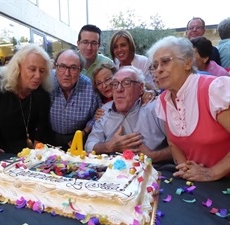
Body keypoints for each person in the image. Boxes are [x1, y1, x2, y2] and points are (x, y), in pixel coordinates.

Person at [147, 36, 230, 181]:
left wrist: (212, 173)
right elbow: (173, 142)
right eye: (154, 65)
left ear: (187, 62)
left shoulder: (214, 89)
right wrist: (186, 170)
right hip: (199, 186)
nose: (158, 70)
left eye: (165, 62)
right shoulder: (163, 100)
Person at [85, 66, 171, 163]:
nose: (119, 89)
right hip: (111, 171)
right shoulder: (104, 111)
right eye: (115, 84)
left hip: (154, 170)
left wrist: (154, 156)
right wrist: (107, 146)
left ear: (140, 87)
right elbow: (89, 145)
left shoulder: (154, 108)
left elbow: (182, 146)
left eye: (126, 83)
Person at [0, 43, 53, 156]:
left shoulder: (42, 94)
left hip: (31, 154)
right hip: (2, 151)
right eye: (32, 69)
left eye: (42, 71)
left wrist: (36, 154)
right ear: (18, 67)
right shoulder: (0, 85)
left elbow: (42, 125)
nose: (38, 76)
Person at [48, 49, 101, 151]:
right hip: (48, 137)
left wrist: (85, 132)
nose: (67, 73)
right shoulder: (46, 81)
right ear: (56, 66)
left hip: (77, 140)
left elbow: (97, 116)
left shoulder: (90, 88)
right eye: (62, 66)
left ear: (80, 70)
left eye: (73, 68)